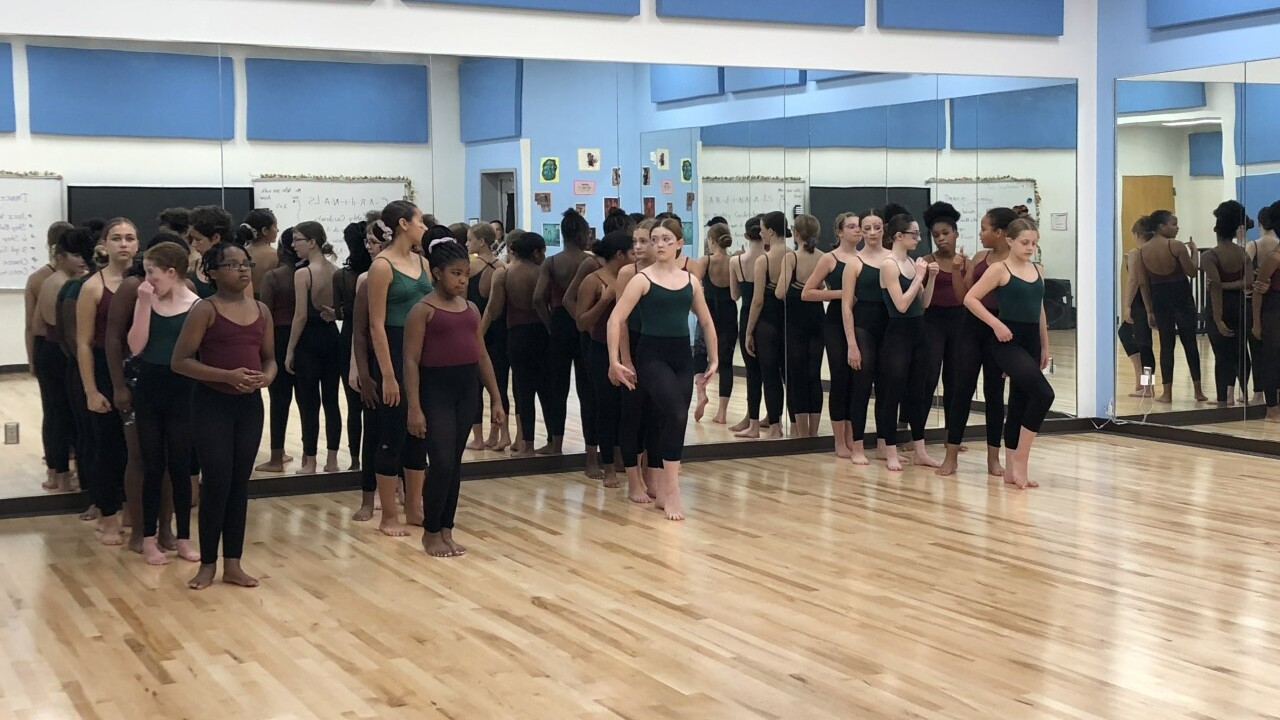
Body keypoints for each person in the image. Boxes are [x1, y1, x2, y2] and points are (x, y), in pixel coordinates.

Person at [172, 243, 276, 589]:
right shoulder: (206, 309)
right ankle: (207, 563)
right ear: (211, 273)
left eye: (245, 264)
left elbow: (270, 358)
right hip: (211, 403)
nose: (242, 270)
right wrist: (227, 376)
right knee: (216, 482)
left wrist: (267, 378)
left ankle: (233, 562)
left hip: (248, 406)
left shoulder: (262, 309)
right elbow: (181, 361)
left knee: (238, 484)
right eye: (231, 265)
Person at [608, 218, 717, 521]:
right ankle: (672, 492)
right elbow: (616, 319)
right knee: (677, 413)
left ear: (679, 244)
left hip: (681, 355)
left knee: (674, 419)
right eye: (655, 239)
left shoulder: (690, 281)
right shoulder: (641, 280)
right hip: (651, 355)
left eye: (666, 239)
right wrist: (615, 360)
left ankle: (664, 489)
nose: (659, 245)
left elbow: (706, 322)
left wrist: (715, 359)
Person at [404, 238, 505, 557]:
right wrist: (415, 408)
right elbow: (410, 361)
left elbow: (482, 355)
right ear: (436, 273)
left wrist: (497, 398)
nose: (462, 280)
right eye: (455, 274)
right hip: (435, 391)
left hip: (466, 390)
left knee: (454, 464)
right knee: (442, 461)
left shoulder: (472, 308)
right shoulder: (423, 310)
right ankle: (430, 532)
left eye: (465, 274)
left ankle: (446, 528)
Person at [963, 218, 1054, 490]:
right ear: (1010, 241)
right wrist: (996, 324)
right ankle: (1021, 465)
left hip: (1031, 341)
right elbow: (970, 299)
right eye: (1025, 242)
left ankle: (1011, 469)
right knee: (1044, 394)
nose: (1030, 248)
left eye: (1034, 243)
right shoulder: (999, 270)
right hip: (1006, 340)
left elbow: (1039, 310)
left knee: (1019, 402)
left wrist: (1045, 345)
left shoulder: (1038, 269)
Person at [127, 241, 201, 565]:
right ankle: (148, 538)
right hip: (150, 387)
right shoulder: (147, 298)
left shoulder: (196, 304)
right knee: (152, 464)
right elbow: (136, 346)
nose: (148, 280)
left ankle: (183, 537)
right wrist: (144, 304)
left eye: (152, 274)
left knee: (181, 466)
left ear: (172, 273)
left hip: (183, 388)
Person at [365, 201, 432, 536]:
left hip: (421, 353)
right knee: (392, 434)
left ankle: (415, 508)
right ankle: (388, 515)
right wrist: (387, 375)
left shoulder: (422, 261)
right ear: (404, 224)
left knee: (419, 432)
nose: (424, 226)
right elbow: (375, 325)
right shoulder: (382, 266)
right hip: (392, 348)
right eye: (420, 220)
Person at [938, 207, 1016, 477]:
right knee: (962, 390)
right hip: (971, 328)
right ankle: (951, 456)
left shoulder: (1015, 262)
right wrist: (958, 271)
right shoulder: (981, 258)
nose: (980, 234)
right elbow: (964, 297)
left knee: (995, 394)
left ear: (1000, 232)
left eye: (984, 229)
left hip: (999, 329)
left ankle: (994, 459)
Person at [76, 218, 139, 545]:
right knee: (109, 447)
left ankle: (132, 508)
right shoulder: (93, 287)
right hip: (103, 368)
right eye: (117, 238)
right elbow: (83, 342)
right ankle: (108, 514)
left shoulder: (145, 283)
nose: (124, 244)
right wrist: (90, 389)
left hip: (138, 369)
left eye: (129, 238)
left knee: (136, 449)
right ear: (105, 245)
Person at [535, 209, 599, 474]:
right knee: (588, 392)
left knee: (556, 388)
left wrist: (551, 324)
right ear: (584, 235)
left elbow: (538, 298)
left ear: (562, 235)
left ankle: (556, 443)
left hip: (560, 323)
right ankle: (591, 456)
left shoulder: (552, 262)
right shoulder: (592, 262)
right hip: (586, 324)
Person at [877, 212, 940, 471]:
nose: (919, 238)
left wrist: (931, 278)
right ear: (899, 236)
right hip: (898, 334)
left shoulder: (914, 263)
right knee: (893, 393)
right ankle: (890, 450)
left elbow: (923, 304)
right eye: (914, 234)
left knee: (918, 393)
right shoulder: (888, 264)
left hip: (918, 333)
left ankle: (920, 451)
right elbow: (901, 305)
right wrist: (917, 278)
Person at [576, 230, 636, 489]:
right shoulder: (593, 280)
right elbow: (581, 323)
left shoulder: (634, 277)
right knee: (606, 406)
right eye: (632, 251)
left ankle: (623, 456)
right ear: (620, 254)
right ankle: (606, 463)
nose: (636, 255)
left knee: (628, 407)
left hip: (630, 351)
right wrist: (605, 301)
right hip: (601, 349)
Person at [32, 225, 90, 492]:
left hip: (48, 349)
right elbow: (63, 328)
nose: (81, 261)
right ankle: (64, 474)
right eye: (75, 255)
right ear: (61, 255)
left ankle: (57, 473)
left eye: (83, 255)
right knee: (63, 414)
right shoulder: (63, 284)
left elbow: (37, 326)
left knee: (55, 413)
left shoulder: (48, 281)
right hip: (60, 352)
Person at [481, 231, 548, 458]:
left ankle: (526, 444)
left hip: (516, 334)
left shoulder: (503, 274)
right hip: (542, 333)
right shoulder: (541, 272)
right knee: (547, 390)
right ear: (537, 252)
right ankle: (552, 440)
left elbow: (493, 309)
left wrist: (478, 335)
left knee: (523, 389)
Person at [286, 222, 344, 474]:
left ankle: (310, 461)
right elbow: (339, 311)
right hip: (332, 339)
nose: (292, 244)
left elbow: (299, 316)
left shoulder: (303, 274)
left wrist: (289, 350)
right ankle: (332, 460)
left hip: (309, 340)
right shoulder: (336, 271)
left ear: (312, 242)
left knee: (309, 403)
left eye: (297, 239)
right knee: (331, 401)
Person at [613, 221, 664, 502]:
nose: (639, 247)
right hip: (634, 344)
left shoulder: (670, 272)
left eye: (645, 241)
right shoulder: (626, 273)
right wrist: (625, 360)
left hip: (659, 349)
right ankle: (633, 481)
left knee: (657, 416)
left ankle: (652, 475)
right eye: (636, 241)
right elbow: (619, 320)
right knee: (632, 414)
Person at [839, 208, 893, 465]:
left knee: (887, 387)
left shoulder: (894, 259)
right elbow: (846, 305)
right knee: (862, 386)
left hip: (889, 329)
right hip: (863, 328)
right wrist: (851, 344)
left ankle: (884, 443)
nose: (872, 233)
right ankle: (858, 446)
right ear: (861, 230)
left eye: (877, 228)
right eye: (867, 228)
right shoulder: (854, 262)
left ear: (884, 230)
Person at [804, 212, 860, 457]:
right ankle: (839, 440)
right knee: (840, 378)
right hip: (836, 322)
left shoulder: (867, 257)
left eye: (859, 226)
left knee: (857, 382)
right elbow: (807, 292)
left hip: (862, 321)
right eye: (851, 226)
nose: (857, 230)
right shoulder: (830, 258)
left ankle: (851, 436)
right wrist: (840, 293)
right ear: (839, 232)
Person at [1135, 209, 1205, 404]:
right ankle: (1198, 391)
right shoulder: (1175, 245)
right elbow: (1192, 272)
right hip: (1181, 298)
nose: (1177, 227)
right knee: (1190, 343)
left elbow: (1143, 284)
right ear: (1161, 226)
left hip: (1159, 299)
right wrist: (1194, 251)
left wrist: (1149, 310)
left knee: (1166, 346)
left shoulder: (1143, 251)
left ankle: (1167, 393)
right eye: (1173, 224)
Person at [921, 202, 966, 448]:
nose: (940, 239)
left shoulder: (964, 262)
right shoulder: (927, 261)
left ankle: (953, 437)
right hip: (932, 323)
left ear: (956, 233)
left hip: (959, 322)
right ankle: (916, 433)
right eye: (936, 235)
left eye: (945, 233)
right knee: (928, 377)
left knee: (955, 379)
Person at [256, 234, 300, 473]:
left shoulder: (273, 277)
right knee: (309, 401)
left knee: (279, 400)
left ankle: (276, 456)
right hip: (305, 337)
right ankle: (311, 457)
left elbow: (265, 312)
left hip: (279, 336)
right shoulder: (311, 274)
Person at [1201, 201, 1252, 406]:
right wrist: (1231, 285)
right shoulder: (1243, 253)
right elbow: (1248, 282)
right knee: (1241, 350)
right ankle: (1243, 395)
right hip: (1240, 305)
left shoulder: (1209, 255)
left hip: (1220, 307)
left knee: (1222, 355)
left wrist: (1218, 319)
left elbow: (1215, 288)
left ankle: (1224, 399)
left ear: (1216, 231)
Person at [743, 212, 789, 439]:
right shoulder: (794, 255)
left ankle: (775, 426)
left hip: (768, 324)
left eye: (762, 229)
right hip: (791, 323)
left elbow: (758, 300)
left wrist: (749, 331)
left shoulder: (765, 260)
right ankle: (799, 426)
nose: (760, 233)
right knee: (789, 376)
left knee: (770, 376)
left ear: (770, 231)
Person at [333, 221, 374, 472]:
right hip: (374, 335)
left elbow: (338, 311)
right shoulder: (379, 271)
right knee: (375, 405)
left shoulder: (343, 275)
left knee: (353, 406)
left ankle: (356, 460)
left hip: (349, 335)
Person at [465, 222, 509, 451]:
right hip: (499, 333)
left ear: (481, 241)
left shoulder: (471, 268)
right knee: (498, 384)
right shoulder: (502, 266)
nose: (467, 243)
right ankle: (498, 434)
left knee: (475, 386)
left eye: (470, 239)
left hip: (477, 330)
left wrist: (476, 332)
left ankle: (479, 437)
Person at [781, 214, 825, 438]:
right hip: (817, 318)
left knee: (797, 375)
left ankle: (801, 432)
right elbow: (824, 287)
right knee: (813, 374)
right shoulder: (823, 257)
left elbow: (780, 292)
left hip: (796, 320)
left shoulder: (792, 258)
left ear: (795, 233)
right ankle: (814, 432)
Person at [694, 222, 737, 425]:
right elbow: (736, 295)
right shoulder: (734, 261)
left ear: (711, 240)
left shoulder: (706, 261)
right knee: (726, 362)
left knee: (701, 356)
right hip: (728, 312)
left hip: (708, 312)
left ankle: (701, 392)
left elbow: (692, 286)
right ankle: (722, 412)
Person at [729, 216, 767, 436]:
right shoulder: (772, 258)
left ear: (745, 236)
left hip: (746, 317)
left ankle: (750, 418)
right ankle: (774, 417)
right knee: (773, 372)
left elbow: (734, 295)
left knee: (753, 373)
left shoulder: (736, 261)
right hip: (769, 317)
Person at [26, 221, 75, 376]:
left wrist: (31, 360)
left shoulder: (35, 278)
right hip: (67, 345)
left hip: (43, 346)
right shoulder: (77, 277)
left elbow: (30, 325)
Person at [1119, 217, 1157, 398]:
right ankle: (1141, 378)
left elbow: (1134, 280)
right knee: (1126, 333)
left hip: (1140, 302)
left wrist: (1126, 306)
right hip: (1151, 298)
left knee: (1144, 344)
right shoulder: (1157, 251)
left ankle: (1148, 386)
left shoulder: (1136, 253)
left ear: (1138, 234)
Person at [236, 209, 280, 295]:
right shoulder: (276, 255)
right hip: (268, 301)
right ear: (265, 231)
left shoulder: (240, 252)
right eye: (275, 226)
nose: (277, 230)